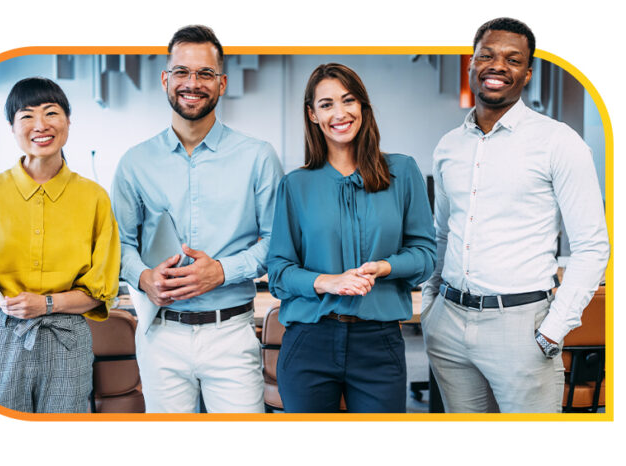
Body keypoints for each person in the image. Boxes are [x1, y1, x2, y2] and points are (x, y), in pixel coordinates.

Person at [421, 17, 610, 413]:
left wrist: (553, 330)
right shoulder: (449, 146)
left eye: (512, 59)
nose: (497, 66)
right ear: (471, 64)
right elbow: (443, 234)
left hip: (522, 328)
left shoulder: (558, 142)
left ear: (527, 73)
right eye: (486, 55)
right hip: (449, 323)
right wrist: (431, 306)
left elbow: (593, 247)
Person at [111, 25, 283, 413]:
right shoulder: (135, 163)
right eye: (182, 72)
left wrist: (222, 270)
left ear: (221, 83)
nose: (193, 83)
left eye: (205, 73)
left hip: (231, 333)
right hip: (161, 334)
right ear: (165, 79)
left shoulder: (258, 157)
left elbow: (278, 243)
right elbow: (119, 244)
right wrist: (143, 277)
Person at [0, 77, 120, 413]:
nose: (41, 125)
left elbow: (101, 291)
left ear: (68, 121)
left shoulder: (94, 198)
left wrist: (46, 304)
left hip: (66, 337)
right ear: (12, 127)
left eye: (51, 113)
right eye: (27, 116)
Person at [267, 63, 436, 413]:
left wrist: (385, 267)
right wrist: (329, 282)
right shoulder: (295, 186)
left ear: (363, 107)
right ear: (312, 114)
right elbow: (279, 273)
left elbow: (425, 255)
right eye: (326, 104)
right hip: (309, 342)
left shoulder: (402, 172)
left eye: (348, 100)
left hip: (379, 343)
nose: (339, 113)